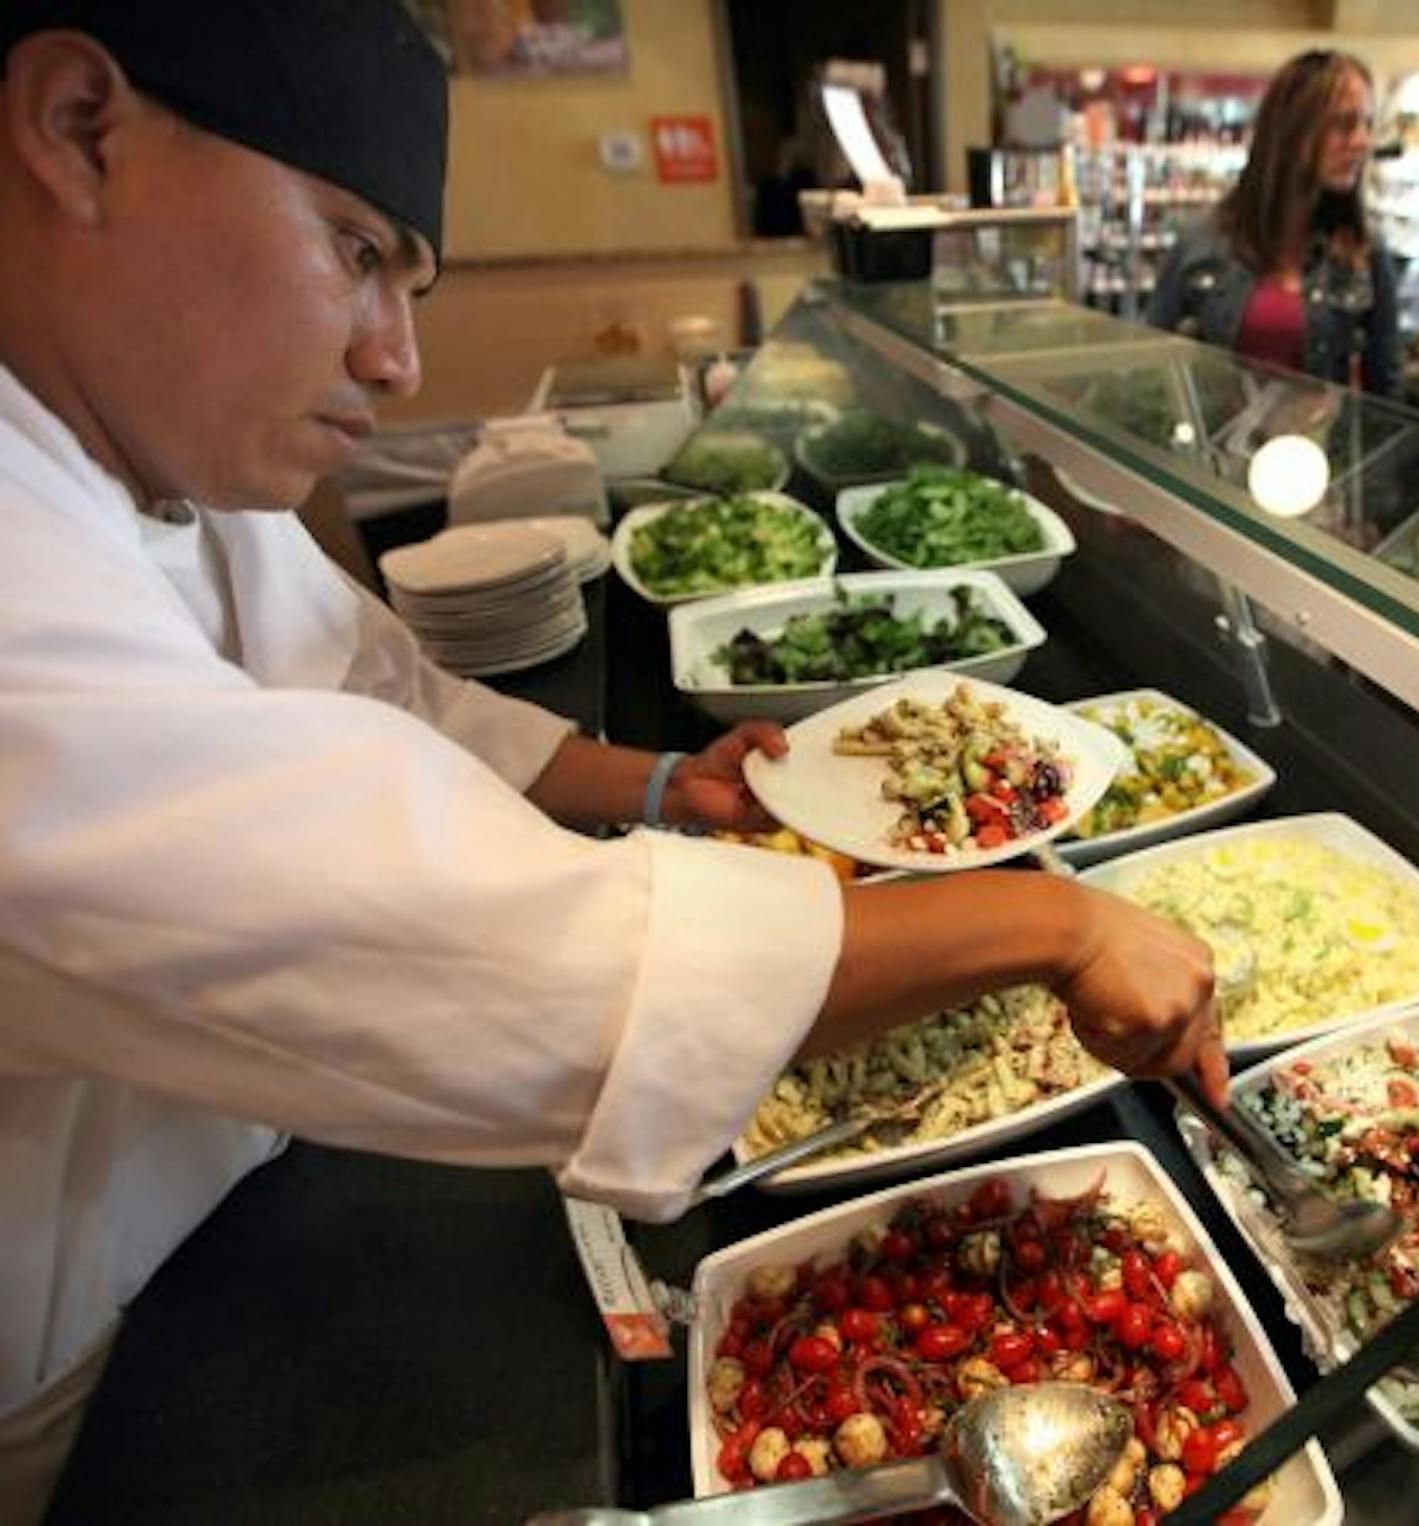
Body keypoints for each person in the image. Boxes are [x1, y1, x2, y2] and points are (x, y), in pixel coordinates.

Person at [0, 4, 1227, 1516]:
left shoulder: (141, 466)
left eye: (411, 281)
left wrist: (656, 784)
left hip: (229, 1202)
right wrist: (1059, 921)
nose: (394, 355)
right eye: (354, 248)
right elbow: (515, 946)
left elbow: (383, 691)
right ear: (77, 128)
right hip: (76, 1379)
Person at [1147, 49, 1402, 398]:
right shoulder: (1201, 243)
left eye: (1367, 125)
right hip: (1218, 433)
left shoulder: (1364, 252)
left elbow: (1387, 391)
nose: (1362, 142)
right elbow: (1153, 368)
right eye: (1344, 124)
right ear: (1292, 130)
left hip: (1322, 436)